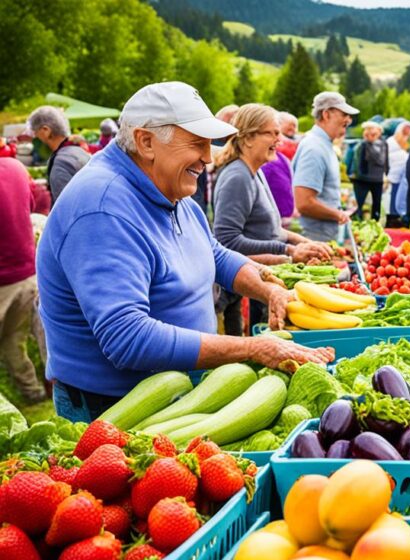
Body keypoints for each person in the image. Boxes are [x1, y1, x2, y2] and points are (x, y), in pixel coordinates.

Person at [35, 81, 332, 422]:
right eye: (196, 143)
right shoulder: (102, 208)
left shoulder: (166, 188)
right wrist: (251, 348)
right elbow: (128, 338)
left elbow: (214, 253)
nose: (208, 157)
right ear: (146, 142)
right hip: (113, 410)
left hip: (174, 396)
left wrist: (268, 289)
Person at [212, 104, 332, 335]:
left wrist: (302, 243)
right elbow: (226, 242)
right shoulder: (237, 176)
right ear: (247, 138)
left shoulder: (254, 171)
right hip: (230, 293)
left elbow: (271, 229)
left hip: (252, 285)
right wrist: (288, 251)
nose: (280, 140)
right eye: (272, 133)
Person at [0, 159, 47, 404]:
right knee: (13, 339)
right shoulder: (16, 168)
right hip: (29, 273)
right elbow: (28, 207)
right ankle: (35, 392)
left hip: (4, 281)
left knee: (12, 339)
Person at [293, 91, 360, 242]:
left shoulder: (323, 144)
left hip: (322, 234)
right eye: (343, 114)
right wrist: (338, 214)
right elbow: (304, 203)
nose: (348, 120)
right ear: (326, 115)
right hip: (313, 237)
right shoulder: (314, 148)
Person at [26, 105, 91, 203]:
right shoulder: (79, 151)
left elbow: (64, 208)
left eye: (36, 133)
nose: (35, 138)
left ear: (45, 130)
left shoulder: (61, 164)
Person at [350, 121, 389, 221]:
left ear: (380, 132)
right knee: (358, 206)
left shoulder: (383, 145)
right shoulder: (362, 145)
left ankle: (374, 227)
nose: (371, 133)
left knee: (376, 207)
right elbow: (358, 162)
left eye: (373, 131)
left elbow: (383, 161)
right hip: (362, 179)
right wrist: (367, 142)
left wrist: (386, 175)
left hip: (377, 179)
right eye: (368, 130)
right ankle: (356, 224)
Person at [386, 120, 410, 223]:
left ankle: (396, 218)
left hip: (401, 178)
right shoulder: (391, 142)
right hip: (392, 179)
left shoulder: (405, 143)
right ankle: (392, 219)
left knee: (398, 200)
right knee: (393, 202)